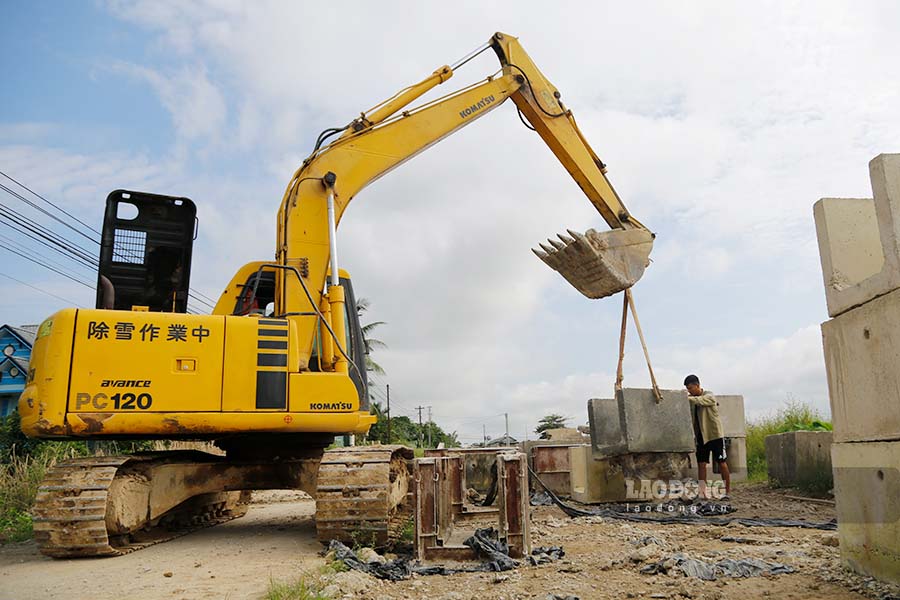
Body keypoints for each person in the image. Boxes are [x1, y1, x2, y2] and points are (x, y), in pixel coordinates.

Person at [684, 374, 730, 499]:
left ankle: (727, 492)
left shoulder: (709, 396)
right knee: (701, 464)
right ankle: (702, 492)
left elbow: (702, 401)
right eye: (687, 389)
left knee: (722, 463)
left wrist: (686, 398)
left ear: (697, 385)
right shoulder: (692, 400)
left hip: (714, 435)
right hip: (701, 436)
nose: (689, 391)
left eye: (690, 388)